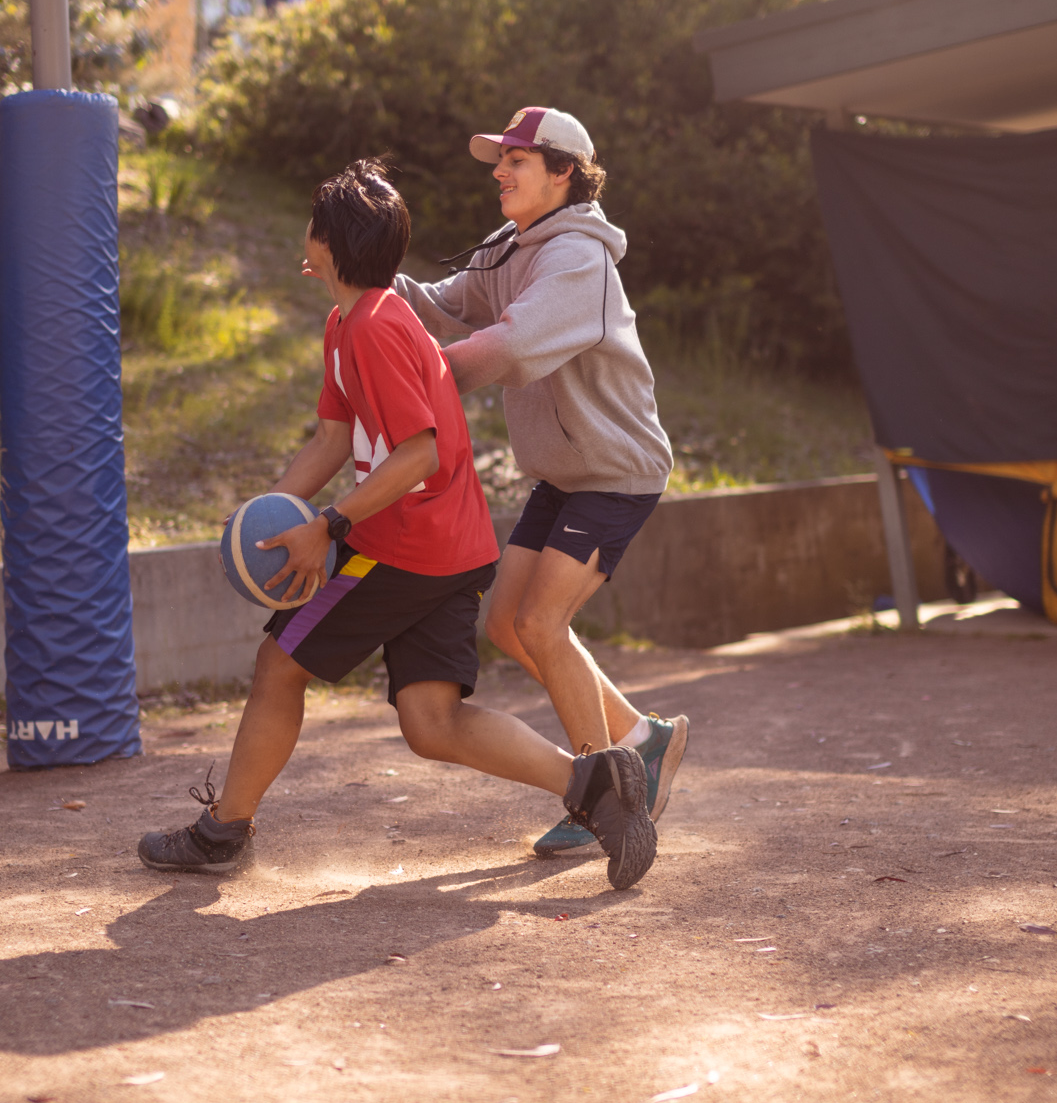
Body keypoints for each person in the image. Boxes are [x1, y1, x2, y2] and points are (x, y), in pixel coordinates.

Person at [136, 159, 656, 891]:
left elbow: (419, 453)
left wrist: (330, 527)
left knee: (280, 665)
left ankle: (224, 830)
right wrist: (267, 513)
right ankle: (596, 788)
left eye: (313, 224)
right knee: (431, 723)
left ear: (328, 241)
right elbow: (329, 439)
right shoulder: (349, 323)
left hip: (402, 547)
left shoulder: (377, 328)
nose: (305, 235)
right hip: (451, 548)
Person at [392, 107, 689, 859]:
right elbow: (447, 302)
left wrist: (429, 372)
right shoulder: (509, 245)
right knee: (506, 625)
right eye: (499, 159)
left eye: (516, 161)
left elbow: (516, 341)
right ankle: (642, 741)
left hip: (614, 471)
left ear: (564, 173)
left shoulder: (577, 259)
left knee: (539, 625)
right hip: (563, 472)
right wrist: (373, 284)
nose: (498, 171)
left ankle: (610, 795)